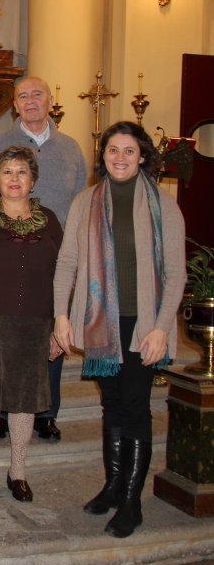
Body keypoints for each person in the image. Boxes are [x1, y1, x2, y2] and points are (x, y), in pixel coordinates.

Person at [53, 122, 185, 538]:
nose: (121, 158)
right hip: (100, 322)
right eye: (113, 150)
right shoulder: (85, 201)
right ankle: (112, 487)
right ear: (104, 155)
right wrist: (61, 315)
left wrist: (161, 328)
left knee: (135, 407)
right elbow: (67, 262)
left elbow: (176, 274)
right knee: (111, 404)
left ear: (143, 156)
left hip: (143, 324)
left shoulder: (164, 205)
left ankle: (131, 501)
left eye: (129, 151)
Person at [0, 75, 88, 441]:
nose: (30, 101)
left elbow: (80, 204)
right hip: (10, 254)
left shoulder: (71, 148)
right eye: (23, 96)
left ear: (49, 100)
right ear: (15, 105)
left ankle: (46, 411)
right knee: (7, 332)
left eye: (37, 94)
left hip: (55, 256)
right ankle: (2, 410)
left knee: (52, 332)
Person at [0, 146, 63, 503]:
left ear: (33, 180)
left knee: (25, 400)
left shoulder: (49, 220)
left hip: (35, 323)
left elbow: (62, 274)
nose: (14, 179)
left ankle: (18, 471)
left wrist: (58, 324)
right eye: (7, 172)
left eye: (22, 172)